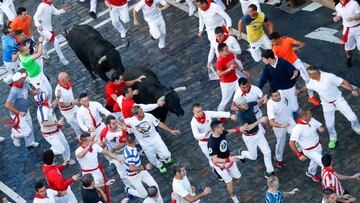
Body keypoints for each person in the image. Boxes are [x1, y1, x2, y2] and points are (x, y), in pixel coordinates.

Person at [297, 65, 360, 149]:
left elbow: (343, 81)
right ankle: (333, 139)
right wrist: (299, 91)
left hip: (339, 101)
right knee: (329, 125)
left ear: (315, 74)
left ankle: (357, 129)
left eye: (309, 74)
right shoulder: (312, 81)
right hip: (326, 105)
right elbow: (307, 87)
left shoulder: (329, 77)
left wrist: (352, 90)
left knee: (353, 118)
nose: (308, 76)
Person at [125, 105, 180, 173]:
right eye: (140, 111)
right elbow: (120, 121)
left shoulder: (149, 116)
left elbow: (159, 123)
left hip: (155, 138)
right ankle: (160, 165)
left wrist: (171, 130)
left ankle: (164, 158)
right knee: (152, 159)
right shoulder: (131, 121)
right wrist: (123, 127)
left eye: (141, 110)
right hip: (145, 143)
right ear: (136, 114)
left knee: (166, 154)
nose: (143, 112)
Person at [269, 32, 319, 106]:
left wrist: (297, 48)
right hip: (286, 66)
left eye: (273, 41)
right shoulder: (274, 49)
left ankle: (311, 97)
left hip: (295, 62)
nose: (272, 43)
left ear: (278, 39)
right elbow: (275, 62)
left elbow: (301, 44)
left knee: (307, 79)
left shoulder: (287, 39)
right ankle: (286, 102)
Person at [208, 120, 249, 203]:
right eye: (221, 127)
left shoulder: (221, 132)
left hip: (229, 159)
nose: (223, 128)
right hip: (220, 165)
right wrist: (228, 159)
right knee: (229, 182)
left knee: (238, 177)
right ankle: (235, 200)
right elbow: (215, 159)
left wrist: (239, 129)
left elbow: (228, 132)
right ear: (216, 129)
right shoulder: (211, 143)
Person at [233, 96, 274, 178]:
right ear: (239, 106)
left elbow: (258, 101)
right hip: (250, 137)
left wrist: (264, 98)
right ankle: (242, 152)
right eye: (243, 104)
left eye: (245, 102)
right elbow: (247, 128)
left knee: (267, 152)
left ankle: (269, 171)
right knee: (253, 157)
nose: (246, 105)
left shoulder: (248, 105)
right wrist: (259, 121)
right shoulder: (240, 115)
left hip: (258, 133)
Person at [76, 132, 123, 202]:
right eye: (89, 140)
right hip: (88, 175)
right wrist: (89, 146)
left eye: (91, 139)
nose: (91, 141)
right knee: (95, 192)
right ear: (83, 142)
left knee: (103, 189)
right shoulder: (78, 150)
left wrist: (117, 158)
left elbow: (106, 152)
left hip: (98, 171)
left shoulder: (94, 146)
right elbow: (80, 155)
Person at [190, 103, 237, 170]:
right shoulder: (193, 122)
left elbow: (218, 113)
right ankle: (217, 170)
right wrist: (205, 133)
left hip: (214, 139)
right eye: (198, 112)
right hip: (204, 142)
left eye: (201, 110)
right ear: (193, 112)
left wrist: (229, 115)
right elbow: (196, 136)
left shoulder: (207, 113)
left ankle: (225, 167)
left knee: (220, 153)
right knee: (211, 158)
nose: (201, 113)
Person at [35, 91, 75, 165]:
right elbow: (44, 123)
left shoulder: (46, 104)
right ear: (44, 99)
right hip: (50, 134)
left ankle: (67, 160)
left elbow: (52, 106)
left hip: (56, 130)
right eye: (46, 96)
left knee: (65, 145)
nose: (47, 96)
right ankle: (47, 154)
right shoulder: (42, 111)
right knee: (61, 149)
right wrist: (57, 123)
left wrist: (58, 98)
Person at [259, 49, 299, 117]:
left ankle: (295, 113)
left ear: (269, 58)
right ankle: (289, 115)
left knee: (294, 103)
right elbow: (263, 80)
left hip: (289, 87)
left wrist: (295, 74)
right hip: (278, 90)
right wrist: (257, 90)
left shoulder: (283, 62)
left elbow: (294, 71)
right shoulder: (266, 68)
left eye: (264, 59)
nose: (263, 61)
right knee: (283, 104)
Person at [124, 133, 163, 201]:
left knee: (155, 186)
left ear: (127, 142)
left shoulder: (129, 147)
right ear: (135, 141)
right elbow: (131, 168)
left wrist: (139, 153)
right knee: (144, 195)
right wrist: (145, 168)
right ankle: (128, 190)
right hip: (133, 176)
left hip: (141, 171)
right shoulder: (131, 154)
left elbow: (133, 158)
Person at [289, 108, 324, 183]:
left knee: (315, 161)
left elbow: (318, 125)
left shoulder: (311, 119)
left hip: (318, 146)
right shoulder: (297, 128)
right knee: (324, 163)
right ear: (303, 117)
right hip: (309, 151)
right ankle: (327, 182)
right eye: (309, 114)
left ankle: (310, 173)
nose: (311, 115)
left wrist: (320, 128)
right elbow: (291, 143)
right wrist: (299, 154)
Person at [5, 72, 39, 148]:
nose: (24, 79)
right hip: (17, 114)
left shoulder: (25, 84)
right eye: (22, 78)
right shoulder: (14, 91)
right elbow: (7, 105)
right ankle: (15, 135)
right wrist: (18, 112)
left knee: (30, 128)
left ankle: (30, 143)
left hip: (26, 111)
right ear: (18, 81)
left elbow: (31, 93)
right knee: (27, 131)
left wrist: (36, 92)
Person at [33, 0, 69, 65]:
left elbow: (56, 12)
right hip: (42, 29)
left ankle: (43, 52)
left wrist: (63, 10)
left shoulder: (50, 5)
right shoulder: (42, 6)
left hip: (48, 28)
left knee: (46, 40)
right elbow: (35, 17)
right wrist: (38, 25)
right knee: (55, 41)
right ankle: (62, 58)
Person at [216, 43, 249, 111]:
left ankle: (240, 110)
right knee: (225, 100)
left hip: (235, 80)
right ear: (221, 52)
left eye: (227, 48)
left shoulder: (230, 54)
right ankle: (220, 115)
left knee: (239, 95)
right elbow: (219, 74)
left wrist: (242, 71)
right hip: (226, 84)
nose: (228, 50)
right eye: (226, 50)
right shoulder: (219, 61)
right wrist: (229, 70)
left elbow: (234, 63)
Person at [100, 115, 131, 187]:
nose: (116, 124)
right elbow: (103, 144)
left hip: (125, 151)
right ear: (108, 125)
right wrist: (102, 144)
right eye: (113, 123)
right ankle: (129, 187)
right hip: (115, 155)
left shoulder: (122, 131)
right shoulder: (104, 131)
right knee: (122, 173)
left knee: (131, 167)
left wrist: (114, 149)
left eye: (116, 122)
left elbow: (123, 143)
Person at [267, 89, 295, 168]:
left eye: (278, 94)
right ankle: (278, 159)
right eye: (276, 96)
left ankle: (300, 149)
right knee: (281, 143)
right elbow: (271, 122)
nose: (278, 96)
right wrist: (280, 126)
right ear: (271, 97)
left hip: (289, 120)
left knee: (297, 133)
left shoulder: (281, 92)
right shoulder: (270, 105)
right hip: (279, 126)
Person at [18, 38, 53, 102]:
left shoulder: (21, 54)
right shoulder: (26, 60)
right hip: (36, 78)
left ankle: (50, 104)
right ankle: (44, 103)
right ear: (22, 53)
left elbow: (20, 50)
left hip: (40, 74)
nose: (29, 50)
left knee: (50, 89)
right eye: (26, 50)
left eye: (27, 48)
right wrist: (40, 42)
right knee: (45, 93)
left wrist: (26, 47)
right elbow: (39, 53)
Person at [55, 72, 82, 139]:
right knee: (76, 126)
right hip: (68, 112)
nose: (69, 79)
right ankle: (80, 137)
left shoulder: (67, 83)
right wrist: (73, 103)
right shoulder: (58, 91)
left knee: (82, 118)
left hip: (74, 107)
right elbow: (61, 105)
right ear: (62, 80)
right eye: (67, 78)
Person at [333, 0, 360, 67]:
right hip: (347, 30)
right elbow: (339, 15)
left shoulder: (354, 3)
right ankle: (349, 58)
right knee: (348, 49)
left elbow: (359, 15)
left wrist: (353, 18)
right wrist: (336, 18)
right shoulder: (338, 6)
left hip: (358, 28)